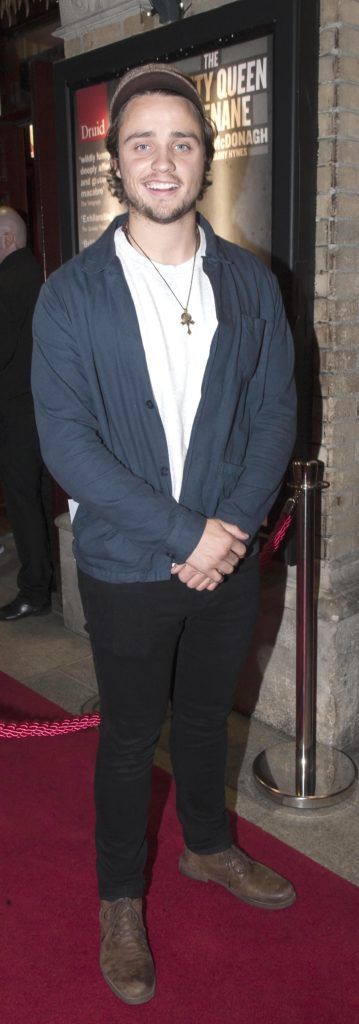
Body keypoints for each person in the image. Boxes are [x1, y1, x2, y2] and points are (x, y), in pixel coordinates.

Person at [32, 63, 297, 1006]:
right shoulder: (69, 296)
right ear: (115, 162)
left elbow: (273, 413)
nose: (162, 159)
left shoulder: (248, 281)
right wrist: (187, 532)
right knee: (126, 735)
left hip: (224, 553)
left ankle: (208, 847)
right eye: (140, 141)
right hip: (128, 562)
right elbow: (68, 443)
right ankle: (116, 897)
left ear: (204, 158)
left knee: (201, 720)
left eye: (181, 141)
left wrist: (226, 531)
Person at [0, 207, 53, 621]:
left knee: (22, 501)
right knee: (35, 496)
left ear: (6, 239)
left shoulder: (7, 280)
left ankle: (35, 589)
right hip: (39, 405)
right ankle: (43, 578)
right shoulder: (37, 274)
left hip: (15, 409)